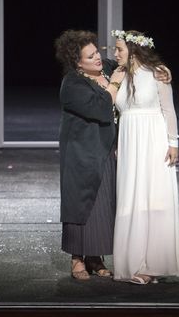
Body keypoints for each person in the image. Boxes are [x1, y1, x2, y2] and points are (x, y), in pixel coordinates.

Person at [111, 29, 179, 284]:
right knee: (133, 199)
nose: (114, 53)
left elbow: (169, 110)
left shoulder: (157, 73)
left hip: (153, 141)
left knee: (153, 198)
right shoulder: (118, 73)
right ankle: (134, 261)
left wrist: (173, 143)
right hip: (130, 143)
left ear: (133, 50)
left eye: (119, 49)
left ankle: (152, 265)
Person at [55, 30, 126, 280]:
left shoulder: (105, 68)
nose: (98, 58)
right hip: (81, 151)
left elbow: (129, 59)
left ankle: (96, 258)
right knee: (80, 202)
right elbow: (100, 108)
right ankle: (77, 259)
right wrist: (115, 85)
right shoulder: (72, 84)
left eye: (97, 52)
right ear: (77, 62)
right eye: (90, 56)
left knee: (103, 202)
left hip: (104, 148)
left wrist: (160, 70)